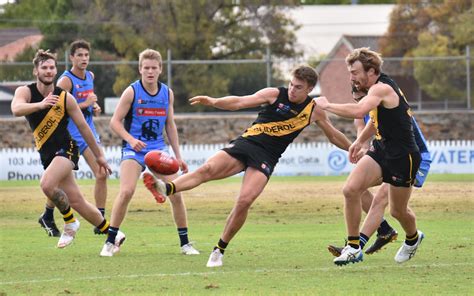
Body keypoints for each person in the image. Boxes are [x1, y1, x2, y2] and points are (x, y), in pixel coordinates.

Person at [142, 65, 352, 267]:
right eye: (290, 84)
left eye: (298, 87)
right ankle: (166, 188)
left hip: (267, 157)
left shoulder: (314, 110)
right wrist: (214, 101)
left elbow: (333, 135)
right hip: (246, 144)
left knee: (244, 200)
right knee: (207, 169)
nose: (292, 90)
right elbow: (239, 102)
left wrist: (354, 148)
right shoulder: (274, 94)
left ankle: (219, 249)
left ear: (309, 89)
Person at [315, 47, 424, 265]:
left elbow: (359, 111)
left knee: (397, 211)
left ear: (371, 71)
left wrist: (327, 105)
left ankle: (413, 238)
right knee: (351, 189)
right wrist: (359, 140)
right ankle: (354, 247)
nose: (352, 78)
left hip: (404, 157)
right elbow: (375, 121)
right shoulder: (374, 89)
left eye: (355, 72)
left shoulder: (381, 89)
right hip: (382, 149)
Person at [11, 49, 124, 250]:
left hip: (67, 148)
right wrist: (40, 105)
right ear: (36, 71)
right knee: (77, 200)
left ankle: (70, 222)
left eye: (52, 67)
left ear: (56, 71)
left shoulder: (65, 98)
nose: (48, 71)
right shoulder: (26, 92)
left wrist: (99, 156)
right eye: (44, 67)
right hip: (47, 154)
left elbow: (84, 128)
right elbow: (16, 109)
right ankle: (113, 234)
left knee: (46, 185)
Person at [101, 48, 199, 257]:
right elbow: (114, 122)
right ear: (140, 69)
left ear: (160, 70)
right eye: (146, 68)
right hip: (133, 150)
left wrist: (178, 156)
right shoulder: (132, 92)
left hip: (158, 150)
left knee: (176, 192)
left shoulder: (167, 93)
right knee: (126, 191)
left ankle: (185, 244)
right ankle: (110, 242)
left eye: (154, 68)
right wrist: (130, 139)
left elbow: (170, 126)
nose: (150, 72)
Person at [327, 87, 431, 257]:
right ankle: (382, 231)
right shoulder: (361, 116)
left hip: (415, 157)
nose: (361, 104)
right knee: (355, 189)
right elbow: (364, 135)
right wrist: (361, 147)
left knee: (389, 205)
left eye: (363, 98)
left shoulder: (387, 107)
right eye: (357, 100)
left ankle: (360, 245)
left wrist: (328, 105)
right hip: (389, 156)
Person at [38, 40, 108, 236]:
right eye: (79, 55)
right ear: (71, 58)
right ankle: (49, 214)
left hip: (88, 131)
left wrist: (94, 107)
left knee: (102, 173)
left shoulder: (90, 76)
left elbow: (86, 103)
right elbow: (58, 109)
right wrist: (85, 104)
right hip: (72, 134)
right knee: (61, 180)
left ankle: (99, 218)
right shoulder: (65, 81)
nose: (84, 59)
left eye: (86, 55)